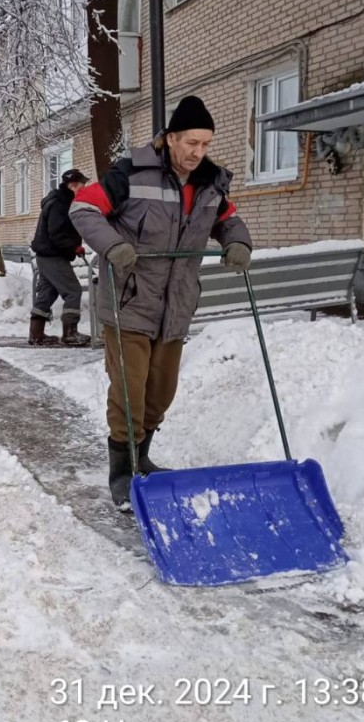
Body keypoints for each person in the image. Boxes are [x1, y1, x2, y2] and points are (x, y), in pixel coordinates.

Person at [69, 96, 253, 510]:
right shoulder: (130, 174)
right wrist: (113, 245)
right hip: (129, 302)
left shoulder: (211, 183)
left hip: (175, 306)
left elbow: (228, 220)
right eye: (191, 142)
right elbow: (82, 208)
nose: (197, 152)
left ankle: (143, 457)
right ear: (170, 138)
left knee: (160, 393)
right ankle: (122, 472)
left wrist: (238, 242)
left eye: (205, 144)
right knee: (130, 392)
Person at [29, 168, 93, 347]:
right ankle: (70, 334)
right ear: (72, 185)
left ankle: (36, 334)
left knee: (47, 294)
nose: (83, 187)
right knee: (73, 291)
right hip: (53, 255)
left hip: (47, 255)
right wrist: (74, 246)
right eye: (81, 184)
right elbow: (56, 233)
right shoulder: (59, 203)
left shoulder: (61, 200)